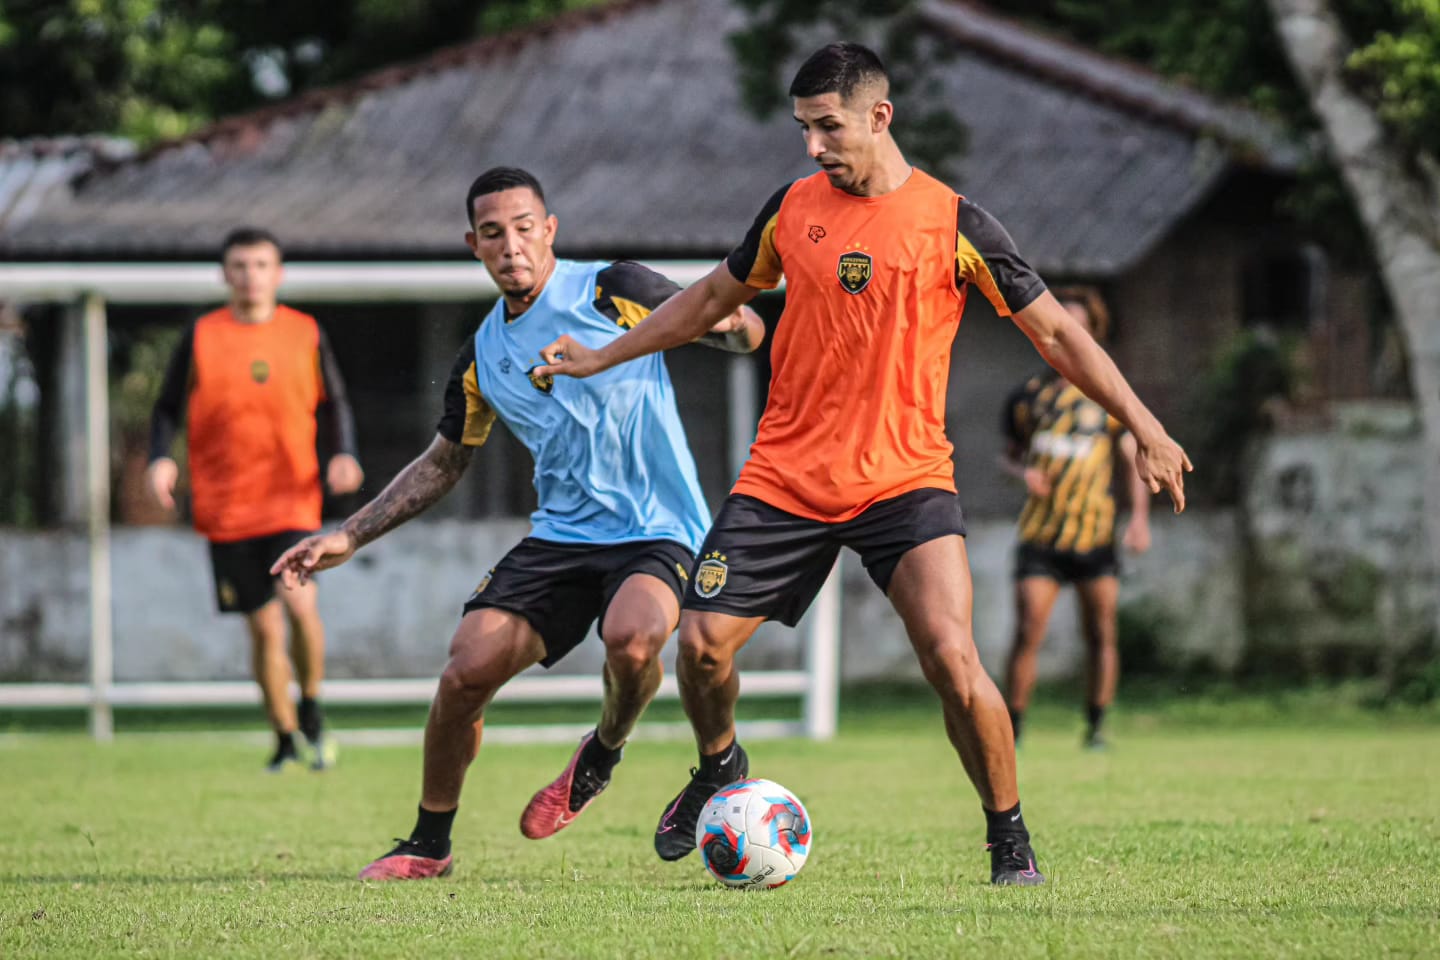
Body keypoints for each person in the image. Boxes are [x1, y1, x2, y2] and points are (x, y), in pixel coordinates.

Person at [535, 43, 1191, 886]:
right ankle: (720, 768)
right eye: (803, 128)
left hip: (905, 481)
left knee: (952, 659)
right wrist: (602, 356)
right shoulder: (791, 209)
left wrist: (1144, 424)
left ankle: (1008, 837)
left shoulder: (954, 224)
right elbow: (710, 300)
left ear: (880, 116)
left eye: (828, 126)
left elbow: (1058, 334)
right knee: (699, 646)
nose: (813, 146)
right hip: (784, 479)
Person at [270, 167, 765, 881]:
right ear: (473, 244)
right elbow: (444, 463)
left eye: (525, 228)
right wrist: (350, 533)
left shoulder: (613, 288)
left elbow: (737, 329)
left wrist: (734, 324)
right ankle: (428, 843)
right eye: (493, 233)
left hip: (658, 529)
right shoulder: (483, 356)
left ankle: (602, 752)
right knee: (464, 672)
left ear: (550, 230)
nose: (511, 245)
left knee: (632, 641)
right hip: (561, 538)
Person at [147, 226, 364, 773]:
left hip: (293, 499)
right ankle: (285, 739)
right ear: (225, 274)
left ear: (278, 273)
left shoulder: (303, 332)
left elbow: (335, 402)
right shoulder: (202, 335)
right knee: (263, 627)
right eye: (240, 266)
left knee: (300, 604)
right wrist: (160, 458)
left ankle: (310, 704)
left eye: (261, 265)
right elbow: (166, 408)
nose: (251, 276)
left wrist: (343, 453)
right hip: (227, 507)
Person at [999, 287, 1152, 750]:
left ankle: (1097, 726)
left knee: (1101, 633)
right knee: (1028, 629)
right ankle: (1012, 728)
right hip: (1041, 534)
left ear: (1092, 334)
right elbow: (1008, 456)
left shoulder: (1107, 398)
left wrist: (1139, 518)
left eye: (1077, 327)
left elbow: (1133, 459)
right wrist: (1022, 474)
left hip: (1094, 534)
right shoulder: (1029, 397)